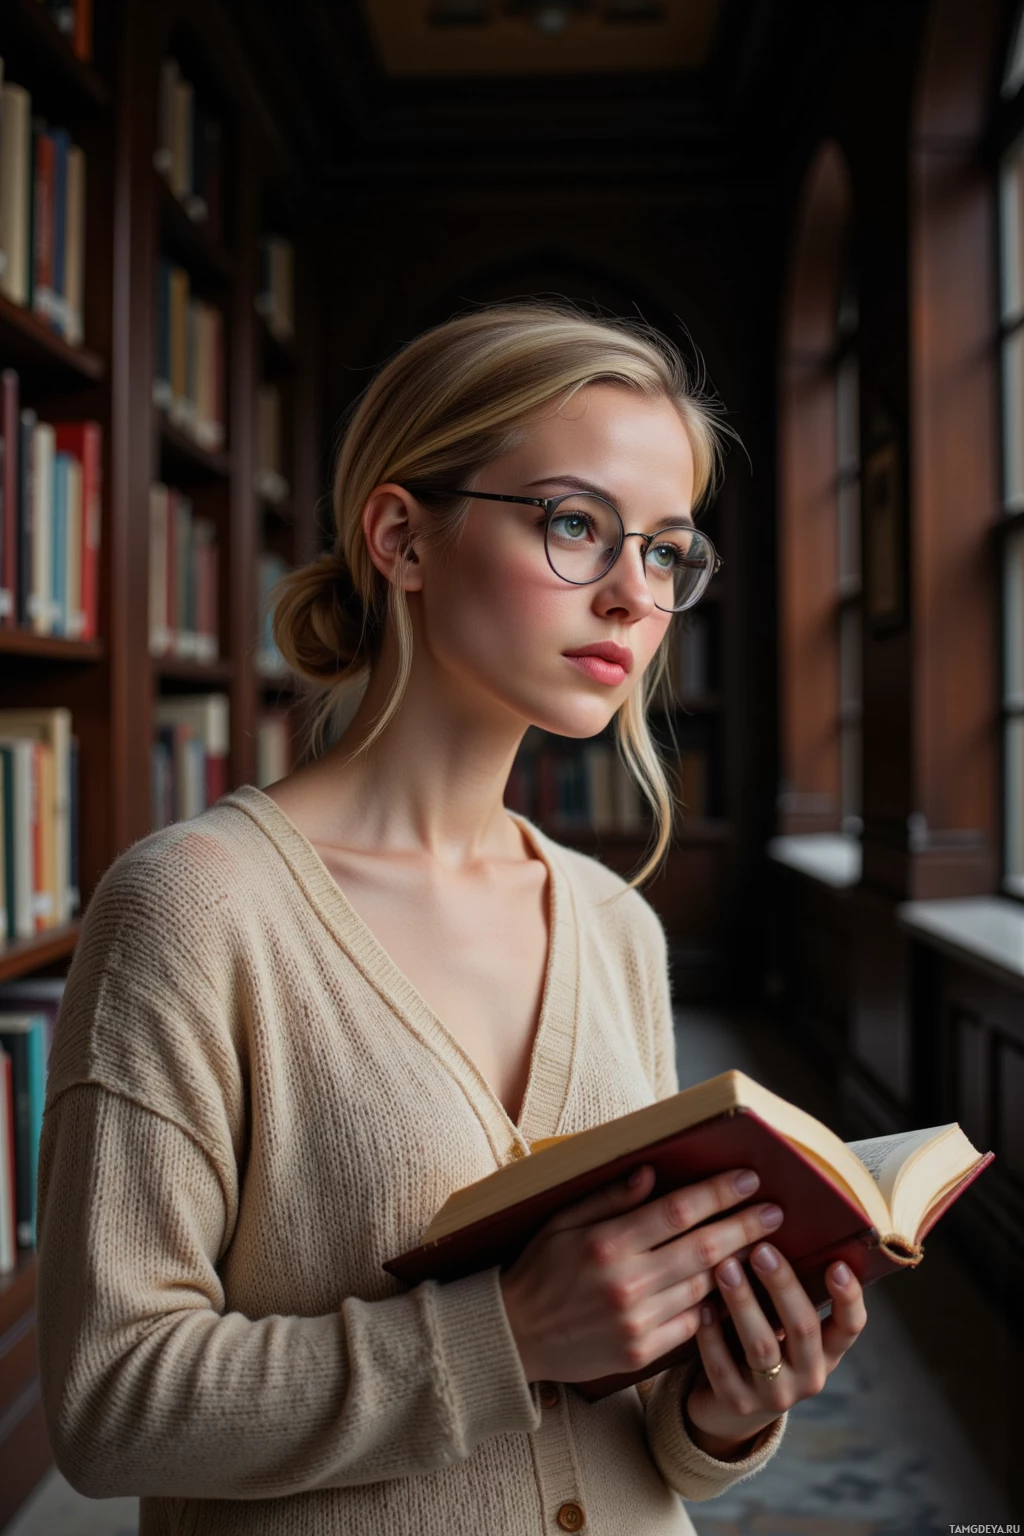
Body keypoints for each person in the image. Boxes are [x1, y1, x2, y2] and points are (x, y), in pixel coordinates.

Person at [36, 301, 867, 1536]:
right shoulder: (194, 909)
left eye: (667, 550)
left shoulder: (611, 925)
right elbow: (109, 1407)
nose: (636, 596)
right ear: (401, 538)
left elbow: (635, 1430)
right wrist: (509, 1333)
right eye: (577, 526)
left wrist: (726, 1408)